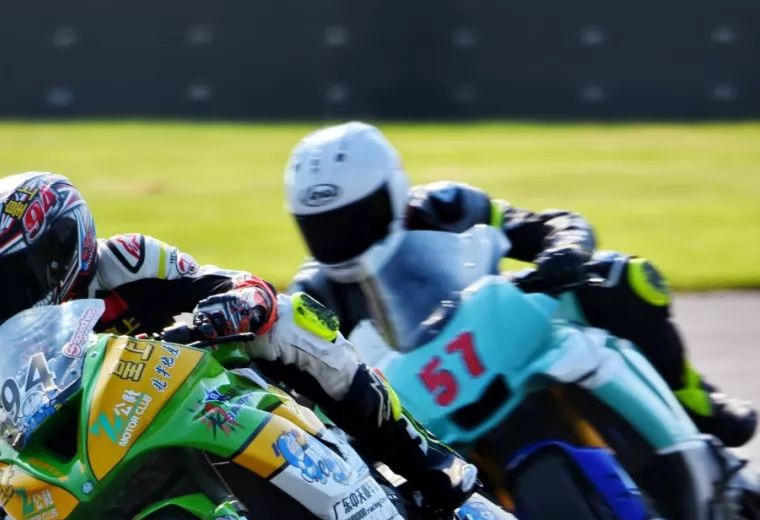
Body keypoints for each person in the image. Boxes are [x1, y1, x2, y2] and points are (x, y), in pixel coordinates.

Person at [0, 171, 478, 520]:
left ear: (63, 249)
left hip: (205, 399)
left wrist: (240, 303)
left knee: (290, 317)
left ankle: (418, 454)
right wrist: (10, 511)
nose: (2, 298)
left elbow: (235, 284)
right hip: (98, 474)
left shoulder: (128, 261)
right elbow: (5, 450)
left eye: (14, 278)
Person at [284, 121, 756, 448]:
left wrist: (564, 251)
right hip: (424, 407)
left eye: (355, 217)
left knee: (623, 276)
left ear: (393, 192)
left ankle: (696, 402)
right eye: (322, 227)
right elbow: (307, 386)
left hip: (503, 337)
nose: (341, 239)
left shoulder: (445, 207)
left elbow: (548, 225)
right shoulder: (315, 292)